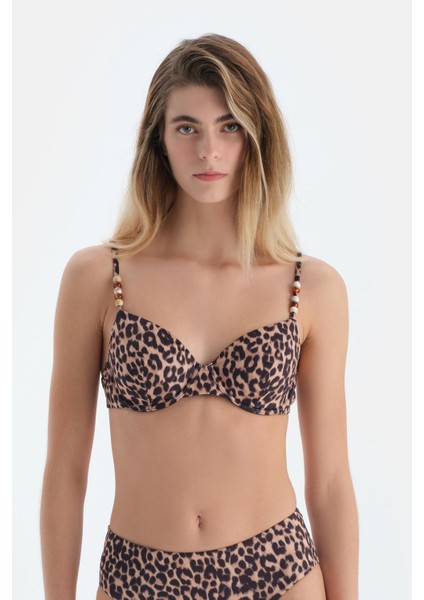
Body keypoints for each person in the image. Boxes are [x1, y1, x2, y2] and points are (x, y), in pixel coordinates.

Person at [39, 33, 359, 599]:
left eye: (229, 126)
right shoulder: (97, 278)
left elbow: (331, 480)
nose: (209, 150)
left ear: (256, 138)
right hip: (137, 580)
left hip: (278, 575)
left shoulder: (312, 288)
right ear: (158, 141)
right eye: (187, 128)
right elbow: (65, 473)